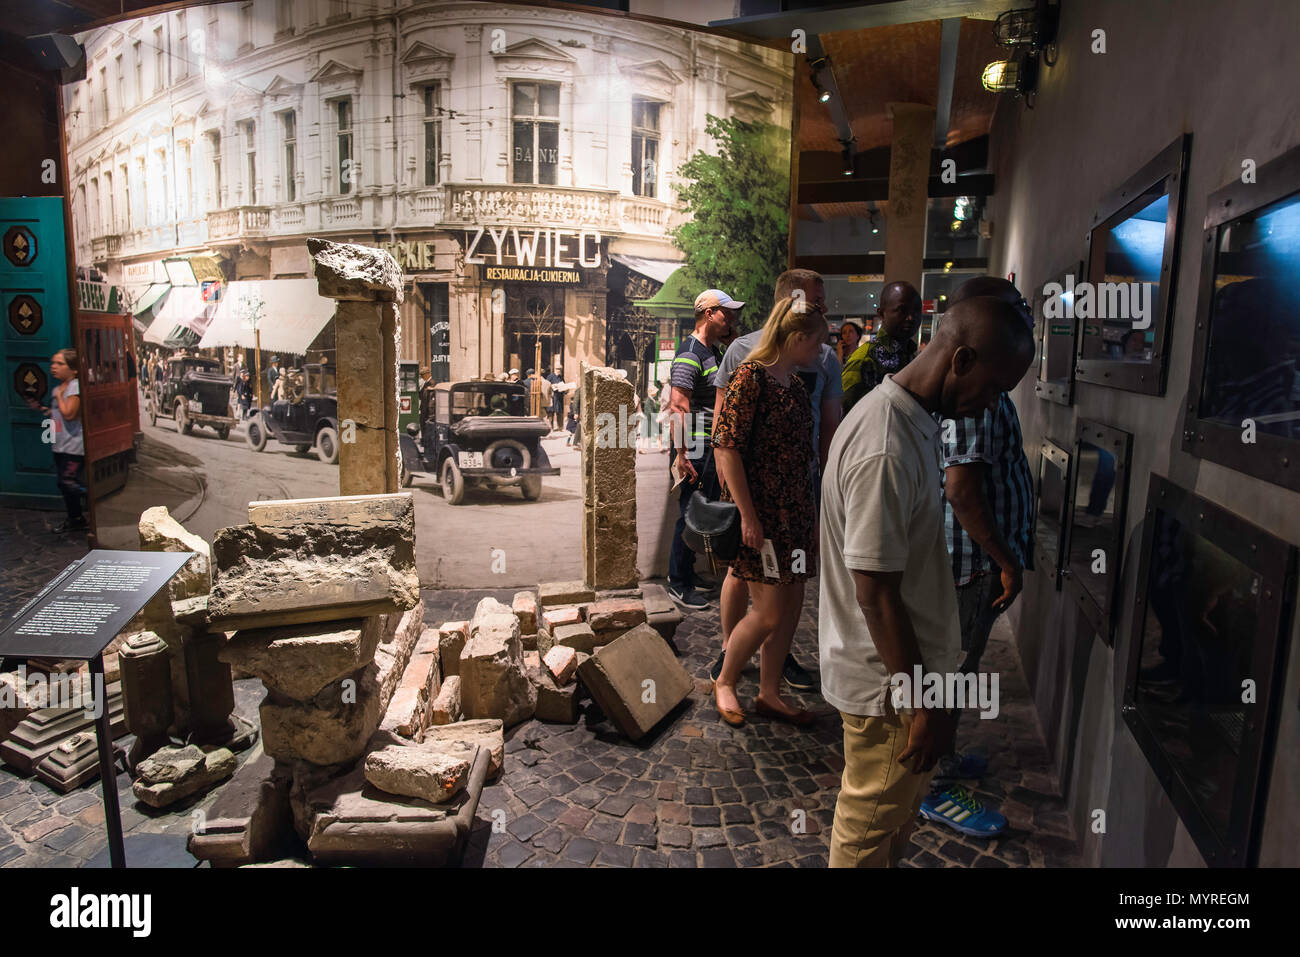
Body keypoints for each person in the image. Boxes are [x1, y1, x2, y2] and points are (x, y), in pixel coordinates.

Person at [818, 294, 1034, 867]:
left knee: (890, 827)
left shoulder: (912, 422)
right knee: (864, 836)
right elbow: (875, 592)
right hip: (888, 690)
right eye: (993, 388)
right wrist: (925, 705)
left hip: (903, 683)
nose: (992, 403)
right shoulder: (885, 442)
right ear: (960, 359)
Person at [921, 276, 1037, 839]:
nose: (1024, 319)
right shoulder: (974, 388)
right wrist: (1005, 557)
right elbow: (962, 490)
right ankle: (932, 782)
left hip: (973, 560)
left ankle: (940, 757)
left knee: (957, 670)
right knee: (950, 671)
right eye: (1014, 311)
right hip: (968, 562)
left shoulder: (984, 380)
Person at [710, 268, 840, 691]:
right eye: (816, 304)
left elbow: (824, 433)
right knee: (760, 600)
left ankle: (769, 685)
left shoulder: (802, 378)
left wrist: (821, 497)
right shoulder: (749, 367)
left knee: (787, 598)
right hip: (762, 506)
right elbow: (724, 437)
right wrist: (742, 509)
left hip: (794, 507)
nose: (822, 347)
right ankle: (730, 664)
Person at [665, 289, 741, 610]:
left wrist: (731, 338)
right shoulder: (690, 353)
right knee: (689, 515)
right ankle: (678, 583)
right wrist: (682, 455)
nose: (732, 320)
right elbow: (678, 407)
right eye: (727, 314)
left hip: (706, 446)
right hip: (694, 447)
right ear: (709, 313)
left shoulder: (712, 351)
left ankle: (687, 574)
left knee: (699, 513)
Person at [26, 349, 87, 533]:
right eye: (53, 363)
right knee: (64, 484)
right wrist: (43, 409)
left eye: (60, 364)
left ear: (74, 369)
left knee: (66, 482)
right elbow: (58, 415)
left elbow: (69, 414)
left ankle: (93, 499)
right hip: (61, 444)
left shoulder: (75, 387)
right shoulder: (57, 388)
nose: (54, 367)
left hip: (75, 444)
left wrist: (60, 396)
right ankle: (75, 518)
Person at [840, 281, 922, 412]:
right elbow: (849, 414)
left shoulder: (913, 356)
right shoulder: (864, 358)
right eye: (902, 310)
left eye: (917, 310)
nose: (911, 318)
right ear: (882, 314)